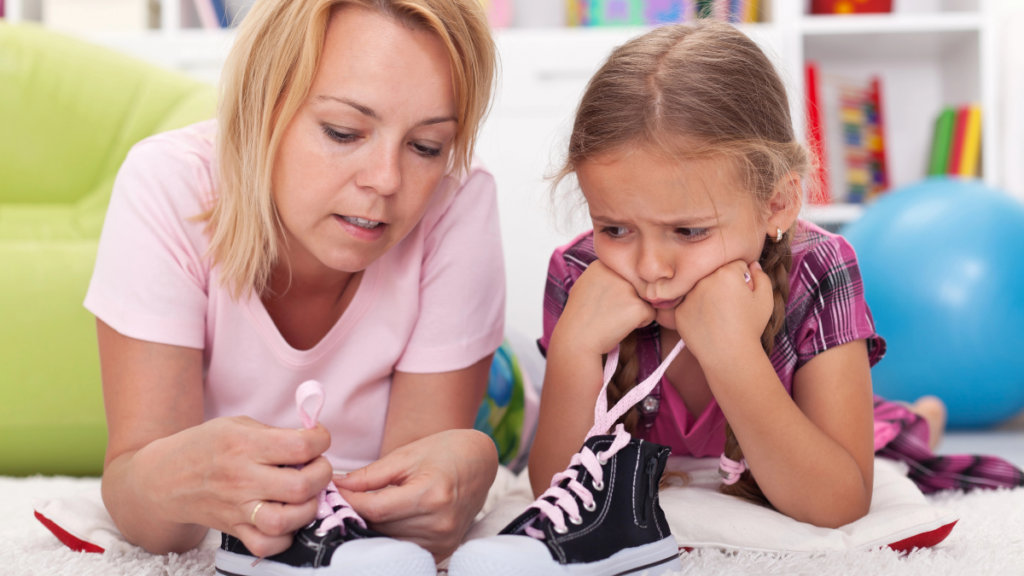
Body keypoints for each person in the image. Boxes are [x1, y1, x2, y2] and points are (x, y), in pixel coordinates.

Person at [529, 20, 1023, 530]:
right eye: (614, 228)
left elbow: (838, 502)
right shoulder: (578, 274)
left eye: (690, 231)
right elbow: (553, 497)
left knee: (891, 434)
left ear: (778, 203)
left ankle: (921, 416)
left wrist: (732, 354)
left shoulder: (820, 269)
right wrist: (573, 351)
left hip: (810, 422)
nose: (651, 267)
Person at [87, 0, 504, 562]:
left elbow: (406, 517)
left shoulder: (457, 204)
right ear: (263, 104)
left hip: (499, 387)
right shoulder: (167, 185)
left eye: (426, 147)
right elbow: (143, 504)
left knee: (502, 413)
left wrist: (470, 460)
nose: (386, 180)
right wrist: (171, 479)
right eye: (343, 131)